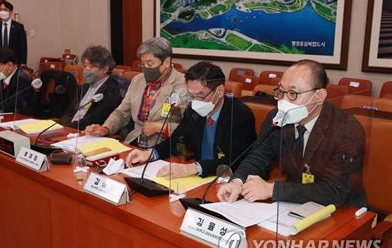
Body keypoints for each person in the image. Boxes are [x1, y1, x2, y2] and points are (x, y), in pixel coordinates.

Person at [217, 60, 366, 207]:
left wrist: (273, 189)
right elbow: (258, 156)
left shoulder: (347, 128)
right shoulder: (277, 117)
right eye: (281, 91)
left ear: (319, 96)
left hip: (343, 209)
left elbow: (334, 190)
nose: (283, 100)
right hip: (293, 205)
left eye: (293, 93)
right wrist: (237, 182)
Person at [125, 61, 257, 178]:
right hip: (197, 177)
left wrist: (193, 168)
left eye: (200, 96)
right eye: (191, 95)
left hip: (226, 180)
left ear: (220, 91)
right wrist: (150, 153)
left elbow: (236, 160)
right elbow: (176, 140)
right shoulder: (193, 110)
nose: (195, 102)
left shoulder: (240, 115)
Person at [84, 37, 188, 147]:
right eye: (143, 64)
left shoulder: (183, 85)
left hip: (165, 147)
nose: (145, 68)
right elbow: (121, 113)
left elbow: (189, 127)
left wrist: (159, 127)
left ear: (166, 62)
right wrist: (105, 128)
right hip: (134, 142)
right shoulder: (138, 80)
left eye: (150, 64)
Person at [59, 45, 122, 130]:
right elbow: (69, 112)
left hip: (86, 132)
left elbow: (96, 119)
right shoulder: (84, 87)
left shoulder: (112, 90)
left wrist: (70, 127)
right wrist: (63, 126)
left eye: (91, 66)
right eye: (85, 65)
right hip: (69, 129)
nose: (86, 69)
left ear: (105, 69)